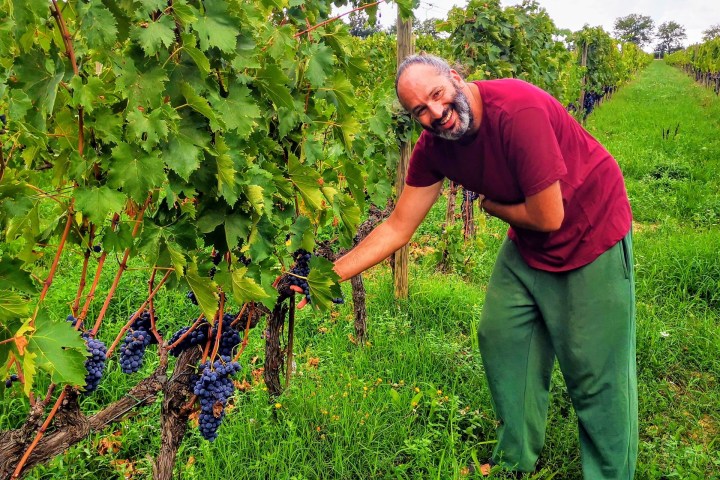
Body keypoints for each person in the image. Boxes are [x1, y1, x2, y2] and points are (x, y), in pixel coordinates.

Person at [319, 53, 637, 478]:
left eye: (437, 95)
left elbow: (549, 218)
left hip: (589, 230)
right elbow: (397, 226)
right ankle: (515, 458)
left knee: (596, 372)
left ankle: (610, 472)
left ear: (454, 77)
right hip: (528, 241)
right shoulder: (435, 148)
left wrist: (492, 206)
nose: (436, 113)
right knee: (502, 336)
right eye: (420, 111)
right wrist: (325, 277)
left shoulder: (517, 111)